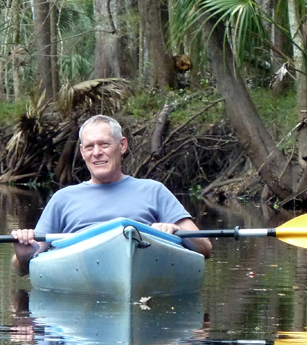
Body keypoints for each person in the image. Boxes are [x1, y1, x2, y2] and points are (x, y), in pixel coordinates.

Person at [11, 115, 212, 275]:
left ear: (122, 145)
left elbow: (205, 248)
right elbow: (21, 270)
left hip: (147, 262)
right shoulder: (63, 198)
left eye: (104, 144)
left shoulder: (154, 190)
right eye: (89, 146)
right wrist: (23, 256)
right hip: (78, 273)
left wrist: (174, 230)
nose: (97, 152)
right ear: (82, 152)